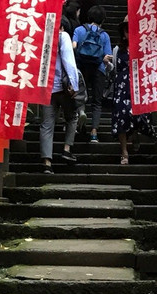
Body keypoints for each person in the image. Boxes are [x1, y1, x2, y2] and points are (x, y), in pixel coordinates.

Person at [110, 16, 156, 165]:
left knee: (138, 115)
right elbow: (115, 70)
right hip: (122, 87)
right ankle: (124, 151)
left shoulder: (143, 47)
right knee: (121, 115)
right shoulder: (118, 50)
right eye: (127, 30)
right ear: (123, 33)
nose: (130, 33)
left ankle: (135, 133)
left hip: (139, 85)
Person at [39, 28, 80, 173]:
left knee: (47, 124)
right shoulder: (62, 36)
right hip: (62, 88)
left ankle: (47, 162)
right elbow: (68, 60)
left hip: (45, 88)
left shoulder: (41, 34)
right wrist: (74, 84)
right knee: (72, 117)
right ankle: (66, 149)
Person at [73, 6, 112, 143]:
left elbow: (73, 46)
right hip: (98, 69)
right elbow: (108, 56)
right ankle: (94, 132)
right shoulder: (104, 35)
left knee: (79, 95)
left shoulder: (79, 30)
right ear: (103, 19)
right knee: (97, 101)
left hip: (81, 67)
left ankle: (80, 117)